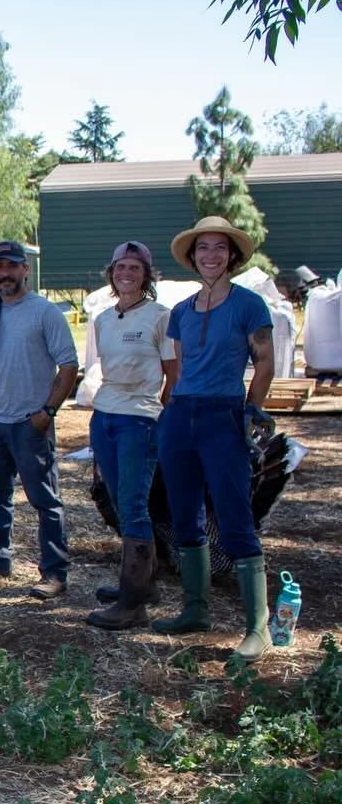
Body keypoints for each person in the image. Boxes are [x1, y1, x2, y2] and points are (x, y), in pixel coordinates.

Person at [153, 216, 276, 662]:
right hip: (180, 414)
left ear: (232, 256)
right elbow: (181, 369)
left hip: (224, 414)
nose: (210, 255)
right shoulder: (181, 312)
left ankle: (257, 627)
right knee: (184, 513)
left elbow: (264, 362)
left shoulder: (249, 306)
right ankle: (195, 611)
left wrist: (252, 408)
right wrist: (170, 413)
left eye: (219, 248)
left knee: (233, 512)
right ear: (192, 256)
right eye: (203, 248)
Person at [0, 241, 79, 600]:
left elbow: (69, 365)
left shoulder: (44, 312)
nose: (5, 274)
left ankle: (54, 572)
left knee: (45, 499)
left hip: (30, 423)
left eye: (12, 266)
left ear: (25, 269)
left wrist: (48, 412)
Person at [85, 241, 178, 630]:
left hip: (139, 419)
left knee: (134, 502)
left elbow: (174, 375)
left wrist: (162, 416)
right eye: (120, 267)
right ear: (111, 273)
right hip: (104, 415)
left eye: (134, 268)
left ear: (146, 275)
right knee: (120, 501)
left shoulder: (161, 316)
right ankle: (146, 583)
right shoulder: (103, 318)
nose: (126, 273)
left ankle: (132, 602)